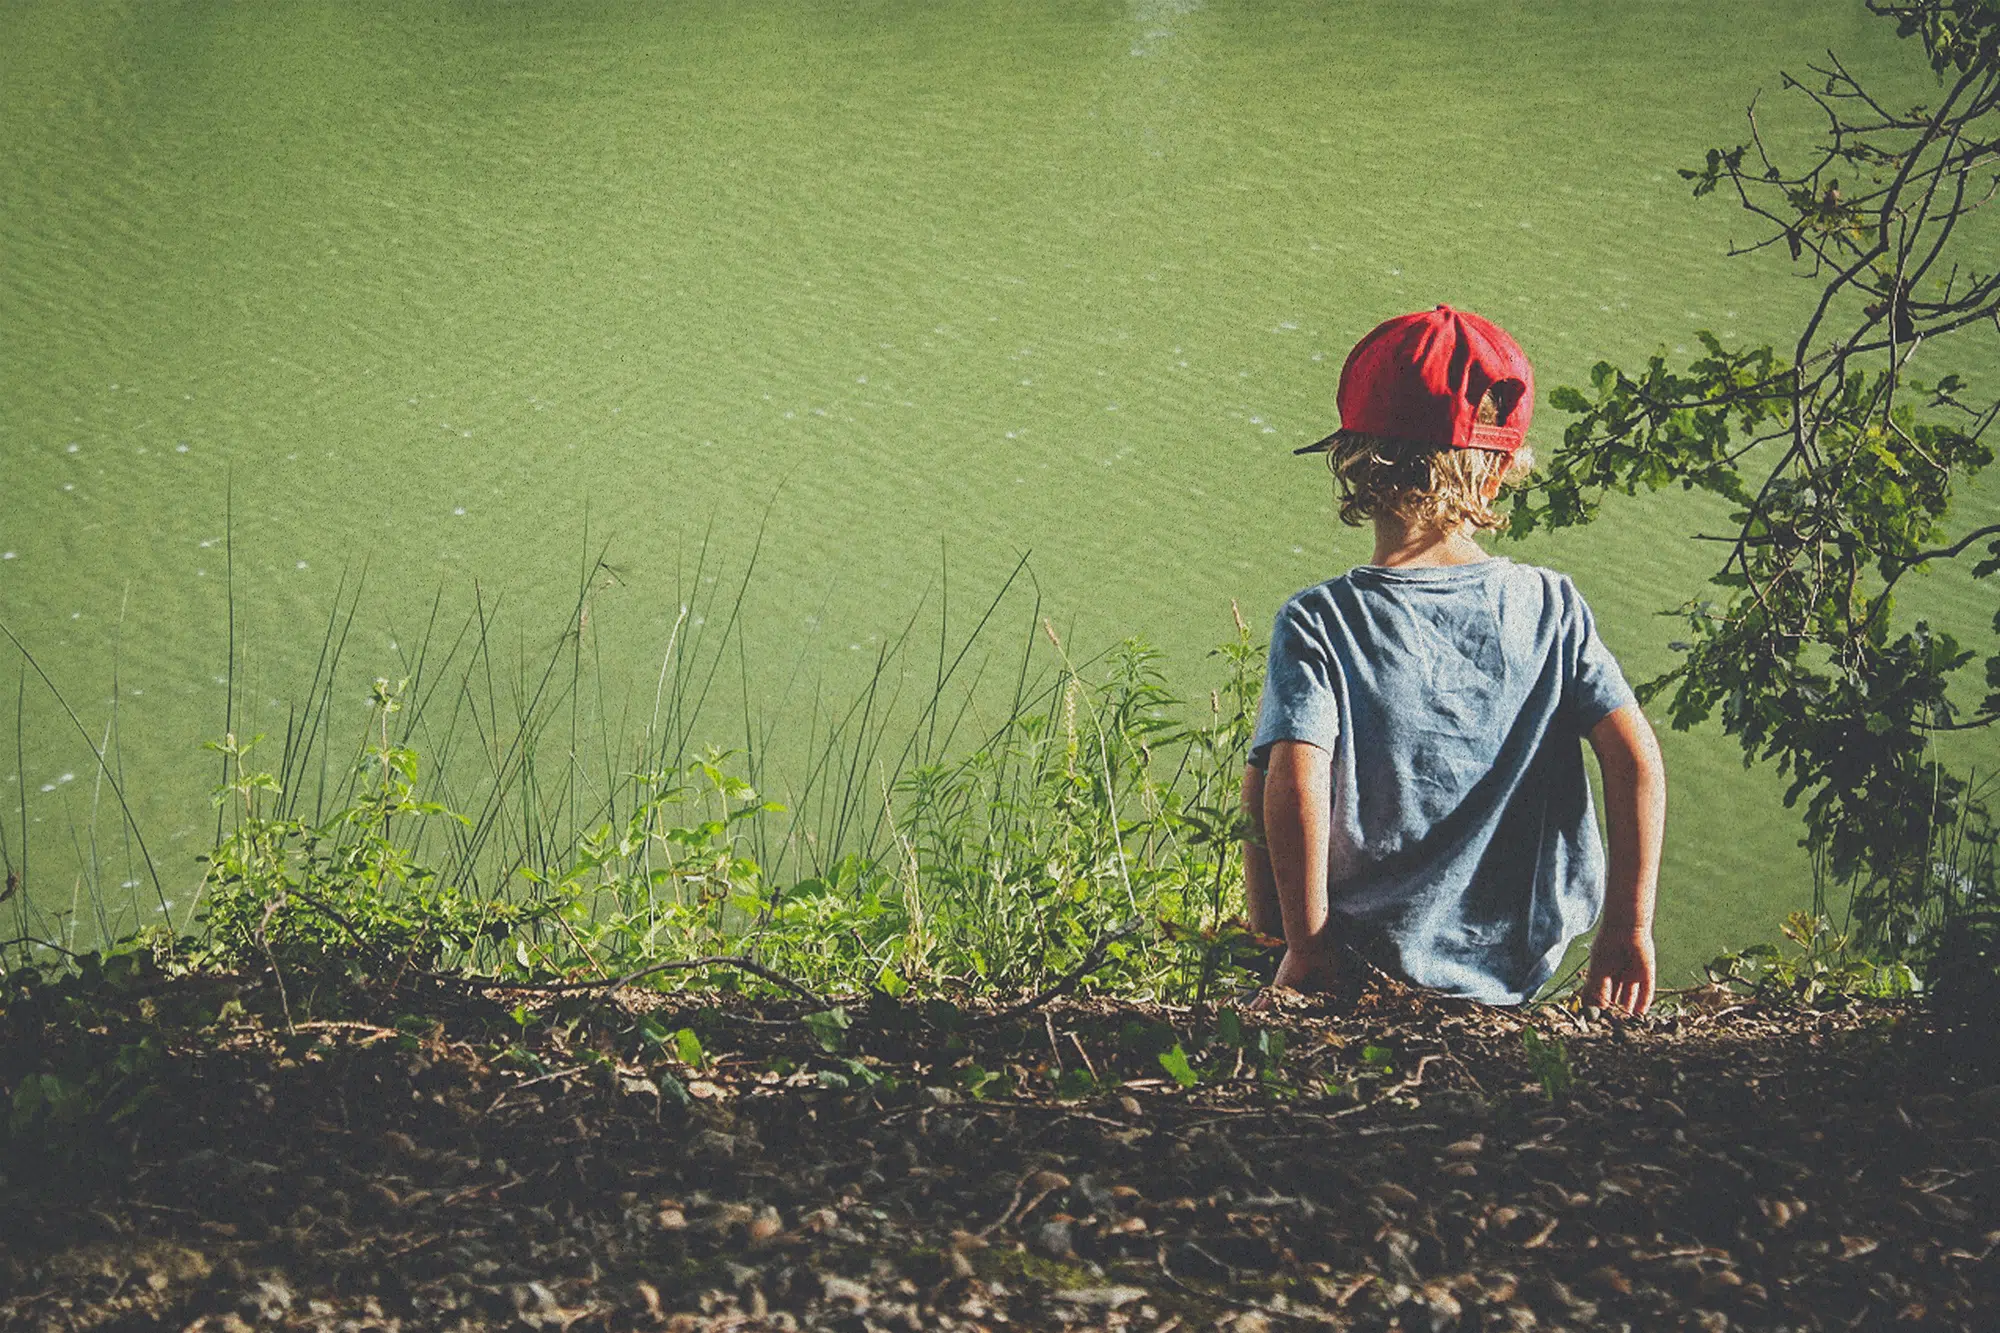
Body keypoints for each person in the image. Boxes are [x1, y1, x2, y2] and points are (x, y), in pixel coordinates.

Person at [1241, 305, 1665, 1015]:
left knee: (1268, 759)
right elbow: (1636, 759)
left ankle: (1271, 949)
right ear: (1497, 475)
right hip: (1511, 966)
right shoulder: (1551, 607)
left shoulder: (1320, 622)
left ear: (1353, 463)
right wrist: (1628, 925)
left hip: (1356, 964)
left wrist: (1307, 946)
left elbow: (1294, 781)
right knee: (1271, 757)